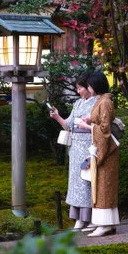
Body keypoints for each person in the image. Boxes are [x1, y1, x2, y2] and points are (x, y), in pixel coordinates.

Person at [49, 73, 98, 230]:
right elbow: (68, 125)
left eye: (80, 88)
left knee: (87, 181)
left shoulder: (98, 102)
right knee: (75, 182)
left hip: (88, 144)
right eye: (77, 88)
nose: (78, 91)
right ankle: (79, 218)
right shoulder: (77, 103)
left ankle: (90, 218)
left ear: (90, 87)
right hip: (75, 146)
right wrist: (57, 117)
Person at [78, 71, 120, 237]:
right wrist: (90, 120)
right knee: (101, 185)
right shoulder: (103, 101)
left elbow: (104, 129)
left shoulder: (105, 102)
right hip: (104, 148)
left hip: (107, 151)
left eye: (89, 85)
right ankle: (104, 223)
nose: (88, 88)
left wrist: (88, 126)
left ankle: (105, 224)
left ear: (95, 86)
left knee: (104, 186)